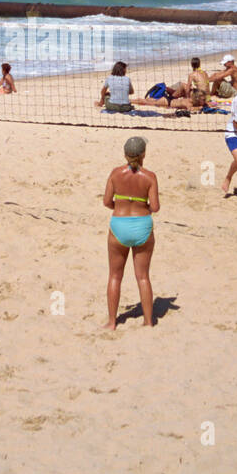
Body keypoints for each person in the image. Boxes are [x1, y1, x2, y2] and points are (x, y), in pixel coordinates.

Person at [102, 136, 159, 329]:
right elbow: (156, 207)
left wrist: (120, 207)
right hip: (142, 224)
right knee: (142, 276)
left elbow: (107, 202)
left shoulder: (115, 173)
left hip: (119, 225)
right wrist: (145, 209)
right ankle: (148, 321)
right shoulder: (150, 176)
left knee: (115, 276)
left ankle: (112, 322)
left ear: (125, 154)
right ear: (144, 154)